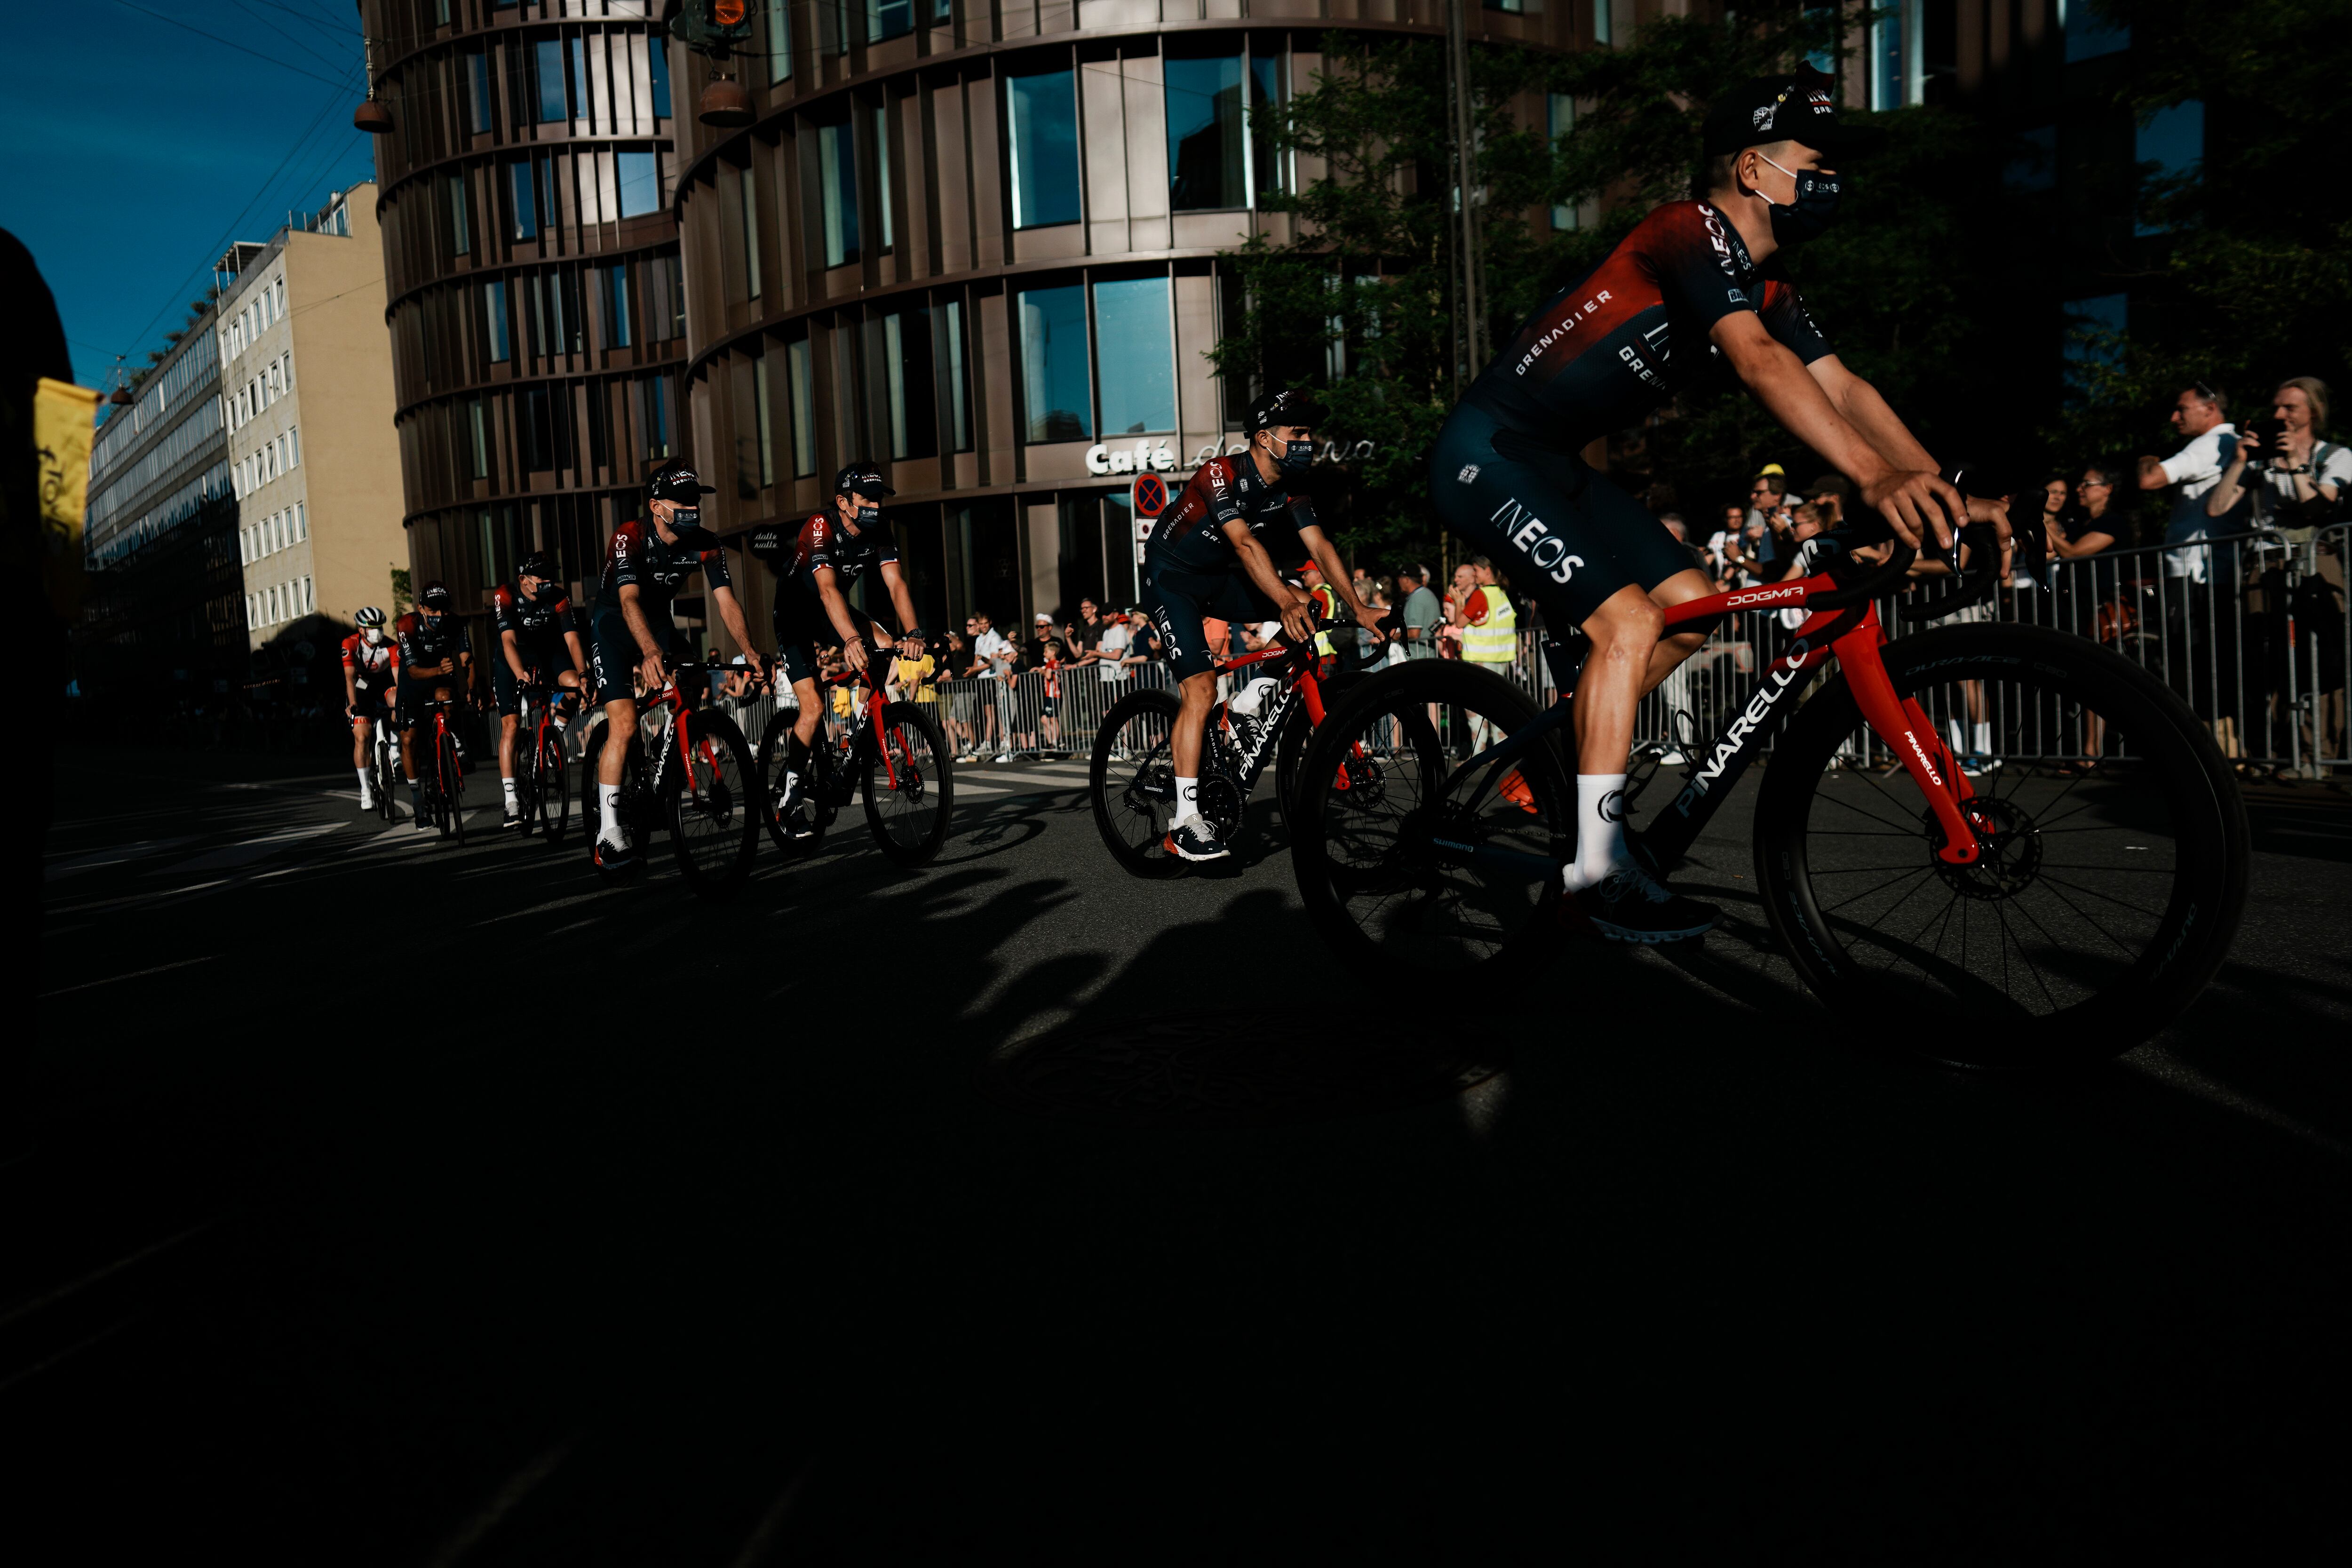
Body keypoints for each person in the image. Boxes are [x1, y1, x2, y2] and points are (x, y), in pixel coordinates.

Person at [1425, 72, 2003, 941]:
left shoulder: (1771, 287)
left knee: (1687, 613)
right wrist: (1871, 479)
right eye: (1816, 163)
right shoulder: (1686, 229)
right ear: (1753, 169)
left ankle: (1573, 756)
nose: (1831, 181)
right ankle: (1594, 868)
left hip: (1554, 464)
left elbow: (1845, 385)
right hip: (1488, 451)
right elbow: (1760, 364)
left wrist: (1946, 494)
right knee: (1626, 624)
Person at [1137, 386, 1385, 860]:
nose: (1307, 441)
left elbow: (1319, 546)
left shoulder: (1289, 488)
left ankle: (1250, 699)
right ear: (1264, 438)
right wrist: (1281, 602)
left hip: (1217, 578)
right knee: (1201, 689)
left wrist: (1357, 606)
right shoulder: (1221, 475)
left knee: (1313, 604)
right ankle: (1185, 822)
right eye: (1298, 432)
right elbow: (1247, 547)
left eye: (1309, 432)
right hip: (1173, 578)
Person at [589, 463, 766, 868]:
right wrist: (650, 652)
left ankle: (670, 745)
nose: (693, 508)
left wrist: (750, 651)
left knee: (690, 681)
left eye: (696, 500)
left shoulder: (706, 543)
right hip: (615, 624)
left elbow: (726, 602)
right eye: (683, 501)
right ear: (656, 506)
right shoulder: (628, 537)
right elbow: (630, 601)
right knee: (624, 723)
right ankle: (609, 834)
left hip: (658, 623)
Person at [749, 462, 924, 838]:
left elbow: (896, 585)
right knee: (812, 706)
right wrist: (849, 640)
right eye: (868, 499)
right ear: (844, 502)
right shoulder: (820, 527)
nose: (876, 506)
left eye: (880, 499)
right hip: (796, 615)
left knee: (886, 649)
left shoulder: (879, 530)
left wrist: (914, 632)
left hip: (833, 611)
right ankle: (791, 800)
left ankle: (857, 734)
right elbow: (827, 589)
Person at [489, 553, 589, 829]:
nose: (548, 582)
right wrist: (520, 673)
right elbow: (508, 640)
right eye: (541, 578)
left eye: (551, 577)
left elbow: (572, 639)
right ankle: (511, 802)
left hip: (546, 655)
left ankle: (551, 740)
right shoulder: (505, 595)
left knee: (573, 688)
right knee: (511, 726)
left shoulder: (558, 597)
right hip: (512, 658)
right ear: (524, 580)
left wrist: (583, 675)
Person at [2205, 377, 2349, 532]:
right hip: (2262, 554)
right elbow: (2216, 509)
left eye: (2290, 408)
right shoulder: (2261, 461)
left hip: (2313, 553)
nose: (2278, 415)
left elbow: (2316, 511)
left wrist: (2293, 460)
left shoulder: (2336, 456)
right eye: (2276, 408)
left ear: (2314, 411)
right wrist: (2239, 462)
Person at [2137, 382, 2242, 587]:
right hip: (2211, 566)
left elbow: (2149, 479)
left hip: (2194, 572)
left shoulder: (2210, 444)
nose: (2174, 418)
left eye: (2182, 409)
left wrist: (2146, 458)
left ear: (2210, 408)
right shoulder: (2231, 441)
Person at [393, 581, 477, 830]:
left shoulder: (456, 623)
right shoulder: (406, 625)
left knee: (446, 697)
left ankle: (455, 741)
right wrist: (438, 668)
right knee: (409, 741)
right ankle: (419, 800)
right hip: (413, 684)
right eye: (433, 611)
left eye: (444, 610)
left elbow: (467, 661)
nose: (440, 616)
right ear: (421, 608)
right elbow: (413, 670)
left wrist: (472, 688)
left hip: (441, 680)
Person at [341, 605, 397, 810]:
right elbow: (349, 677)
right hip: (361, 686)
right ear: (361, 629)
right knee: (362, 736)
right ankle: (365, 788)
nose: (377, 631)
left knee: (398, 703)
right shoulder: (350, 643)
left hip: (384, 683)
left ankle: (394, 746)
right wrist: (353, 703)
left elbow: (398, 677)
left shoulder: (391, 645)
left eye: (380, 626)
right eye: (372, 627)